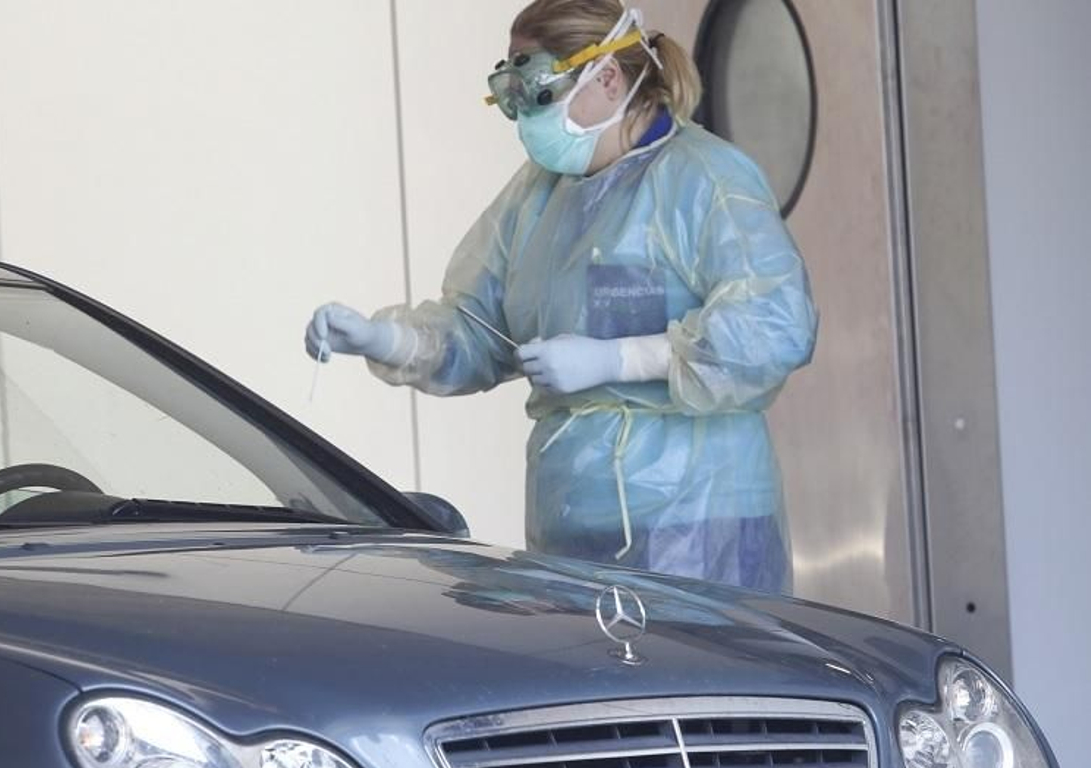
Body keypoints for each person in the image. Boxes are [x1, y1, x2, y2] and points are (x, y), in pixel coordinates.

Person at [303, 0, 816, 593]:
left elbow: (776, 324)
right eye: (513, 94)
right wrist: (384, 338)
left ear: (607, 76)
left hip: (700, 522)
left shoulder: (704, 179)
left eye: (538, 91)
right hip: (569, 521)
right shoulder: (538, 199)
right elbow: (476, 329)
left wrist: (619, 359)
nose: (525, 115)